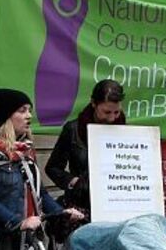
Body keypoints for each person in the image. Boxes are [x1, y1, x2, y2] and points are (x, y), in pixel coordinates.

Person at [0, 88, 84, 250]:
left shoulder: (25, 149)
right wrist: (18, 223)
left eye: (29, 110)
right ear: (6, 116)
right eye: (22, 110)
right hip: (3, 241)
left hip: (31, 237)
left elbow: (40, 193)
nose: (29, 116)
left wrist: (61, 213)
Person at [45, 79, 126, 212]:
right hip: (81, 206)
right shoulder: (73, 129)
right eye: (106, 112)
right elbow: (53, 168)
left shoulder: (128, 133)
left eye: (116, 112)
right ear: (93, 103)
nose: (112, 118)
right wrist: (74, 182)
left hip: (116, 205)